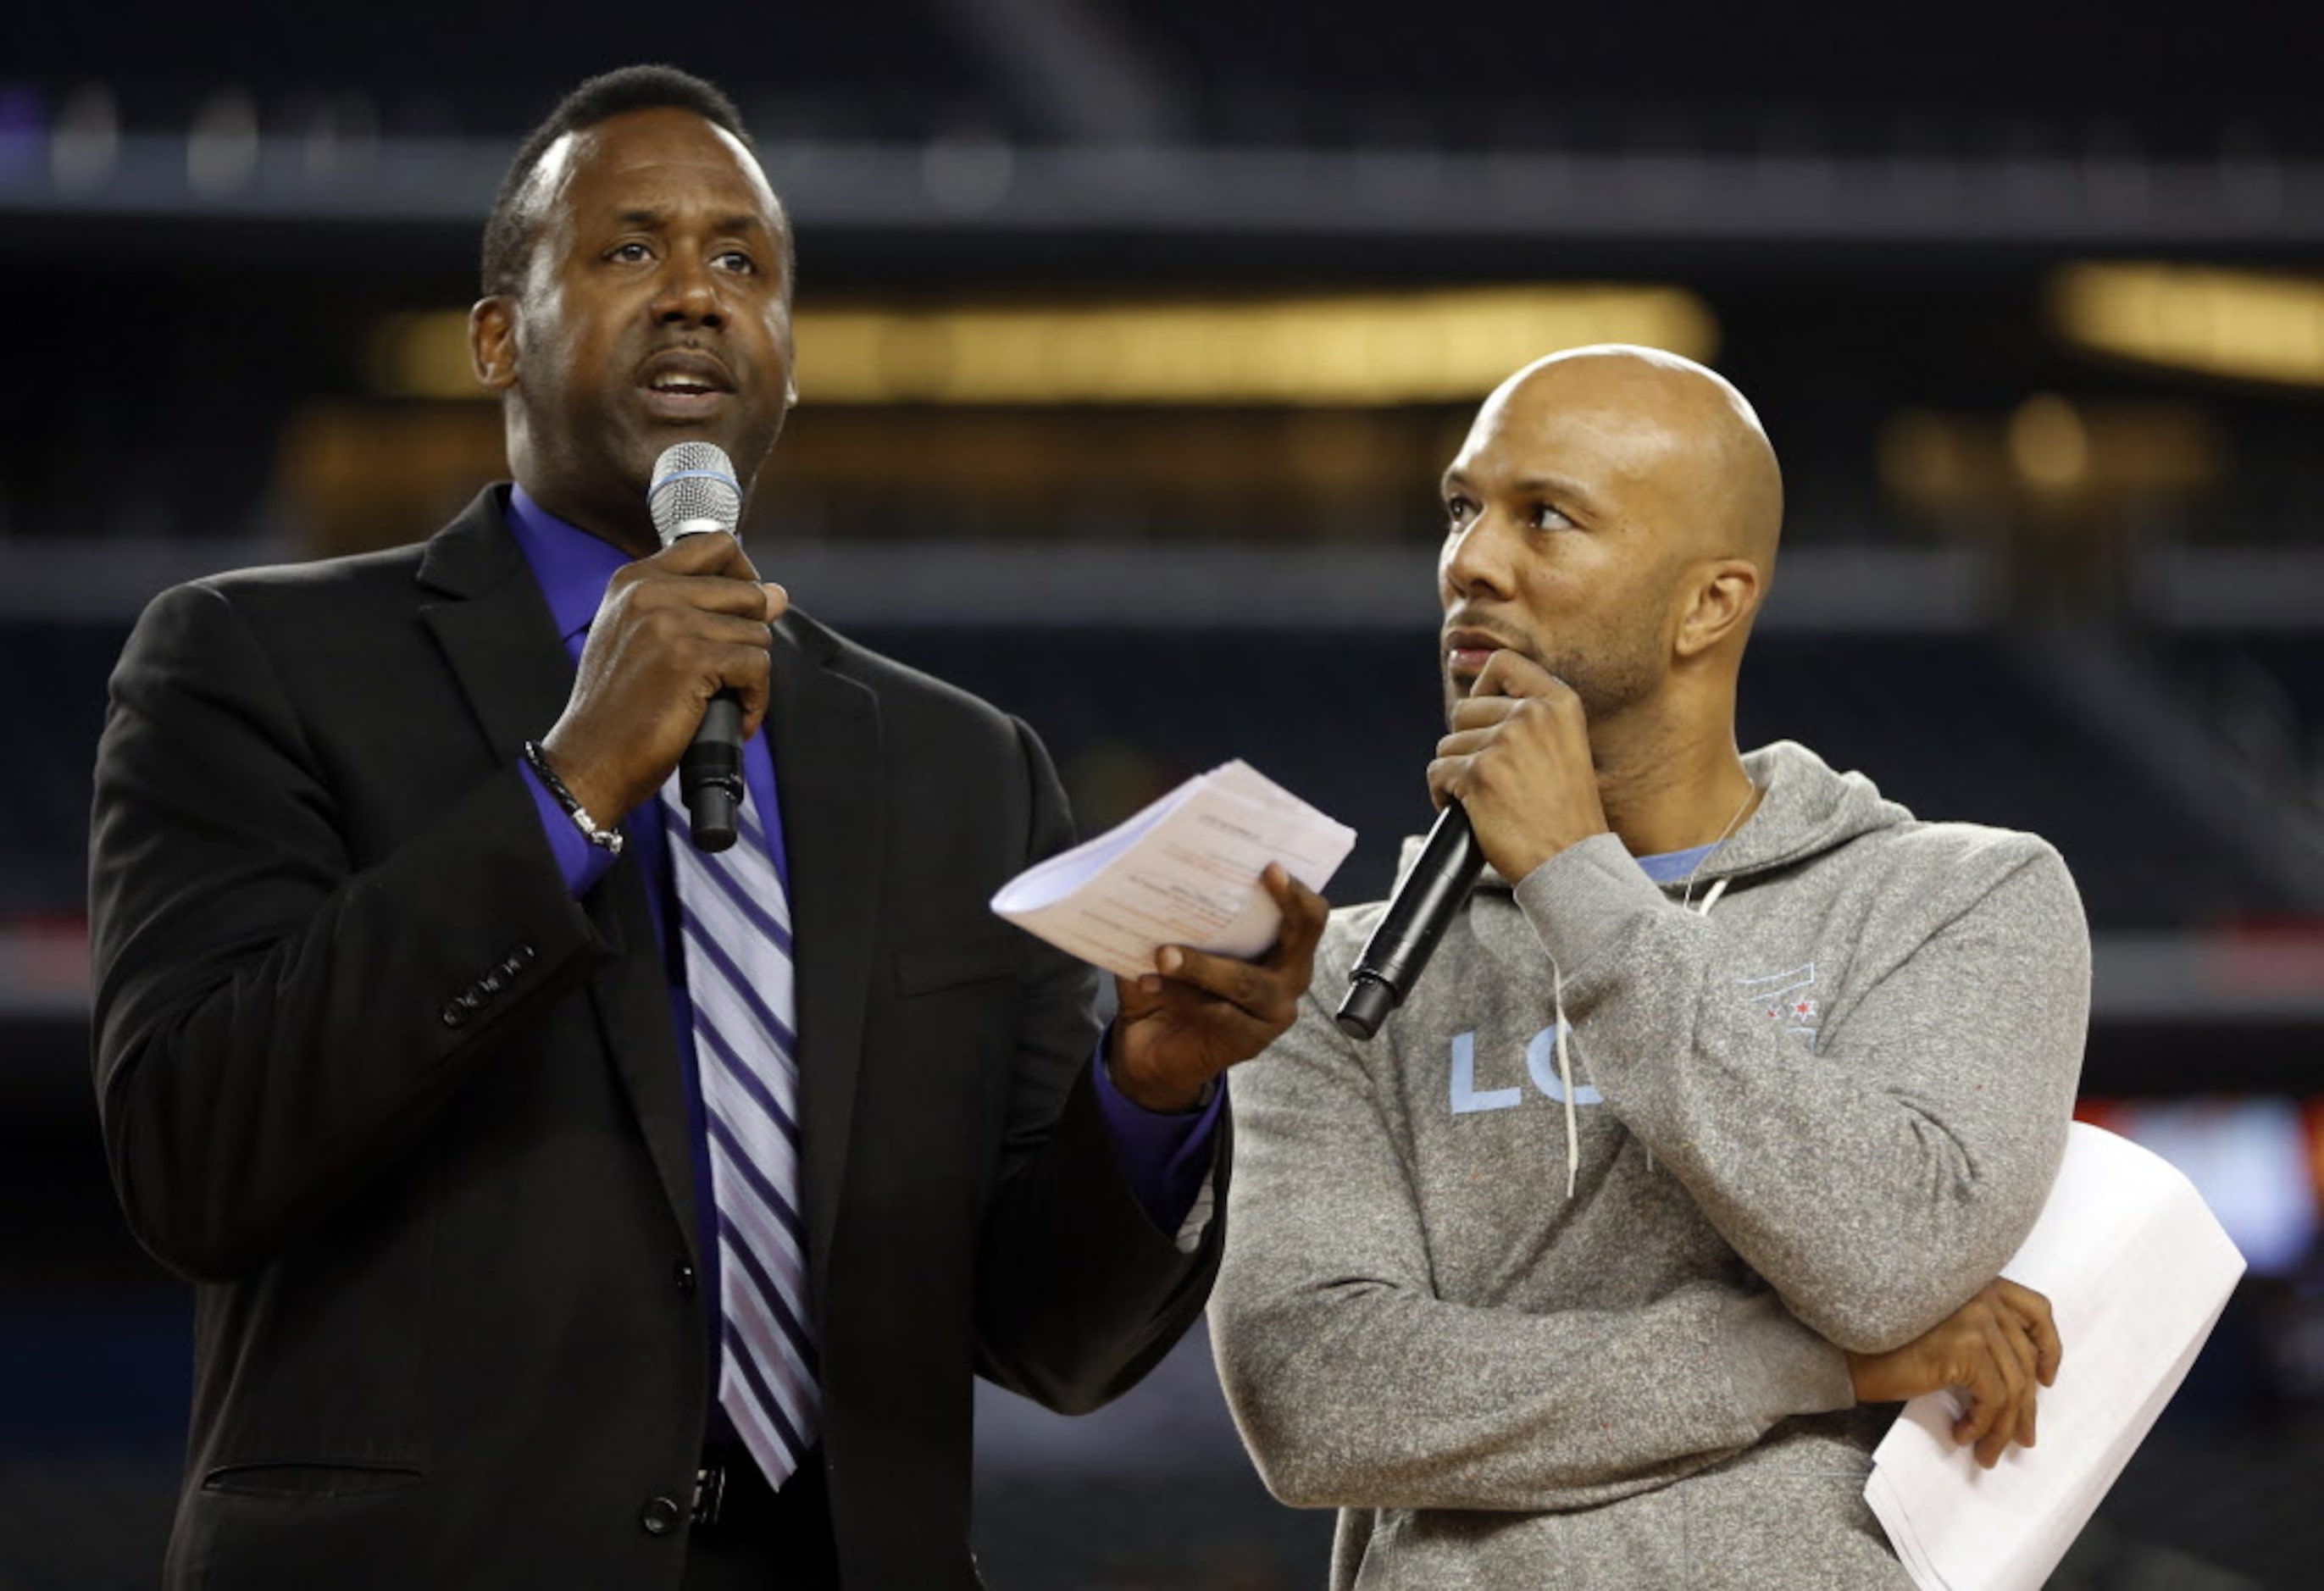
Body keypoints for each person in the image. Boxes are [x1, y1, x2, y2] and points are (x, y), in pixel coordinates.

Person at [89, 65, 1323, 1590]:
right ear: (497, 337)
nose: (695, 295)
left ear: (787, 358)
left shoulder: (961, 767)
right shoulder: (250, 662)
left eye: (744, 262)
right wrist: (574, 781)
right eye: (629, 250)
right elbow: (195, 1156)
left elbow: (1050, 1338)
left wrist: (1146, 1092)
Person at [1208, 346, 2088, 1589]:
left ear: (1708, 604)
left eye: (1545, 517)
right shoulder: (1342, 976)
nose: (1469, 561)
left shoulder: (1956, 896)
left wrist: (1581, 881)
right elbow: (1321, 1396)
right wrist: (1811, 1365)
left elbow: (1892, 1259)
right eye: (1462, 509)